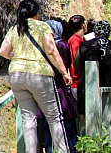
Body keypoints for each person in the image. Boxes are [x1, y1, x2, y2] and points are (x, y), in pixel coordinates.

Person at [0, 0, 71, 153]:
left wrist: (18, 60)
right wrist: (64, 72)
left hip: (16, 75)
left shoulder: (15, 28)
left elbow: (3, 51)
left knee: (28, 118)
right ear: (36, 13)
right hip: (39, 74)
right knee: (54, 117)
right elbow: (51, 51)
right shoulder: (42, 26)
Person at [38, 20, 77, 153]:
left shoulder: (42, 46)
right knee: (67, 123)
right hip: (60, 88)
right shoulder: (62, 45)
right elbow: (65, 64)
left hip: (44, 88)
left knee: (47, 124)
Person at [67, 15, 86, 100]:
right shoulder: (75, 41)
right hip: (77, 82)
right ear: (83, 25)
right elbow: (76, 60)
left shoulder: (77, 40)